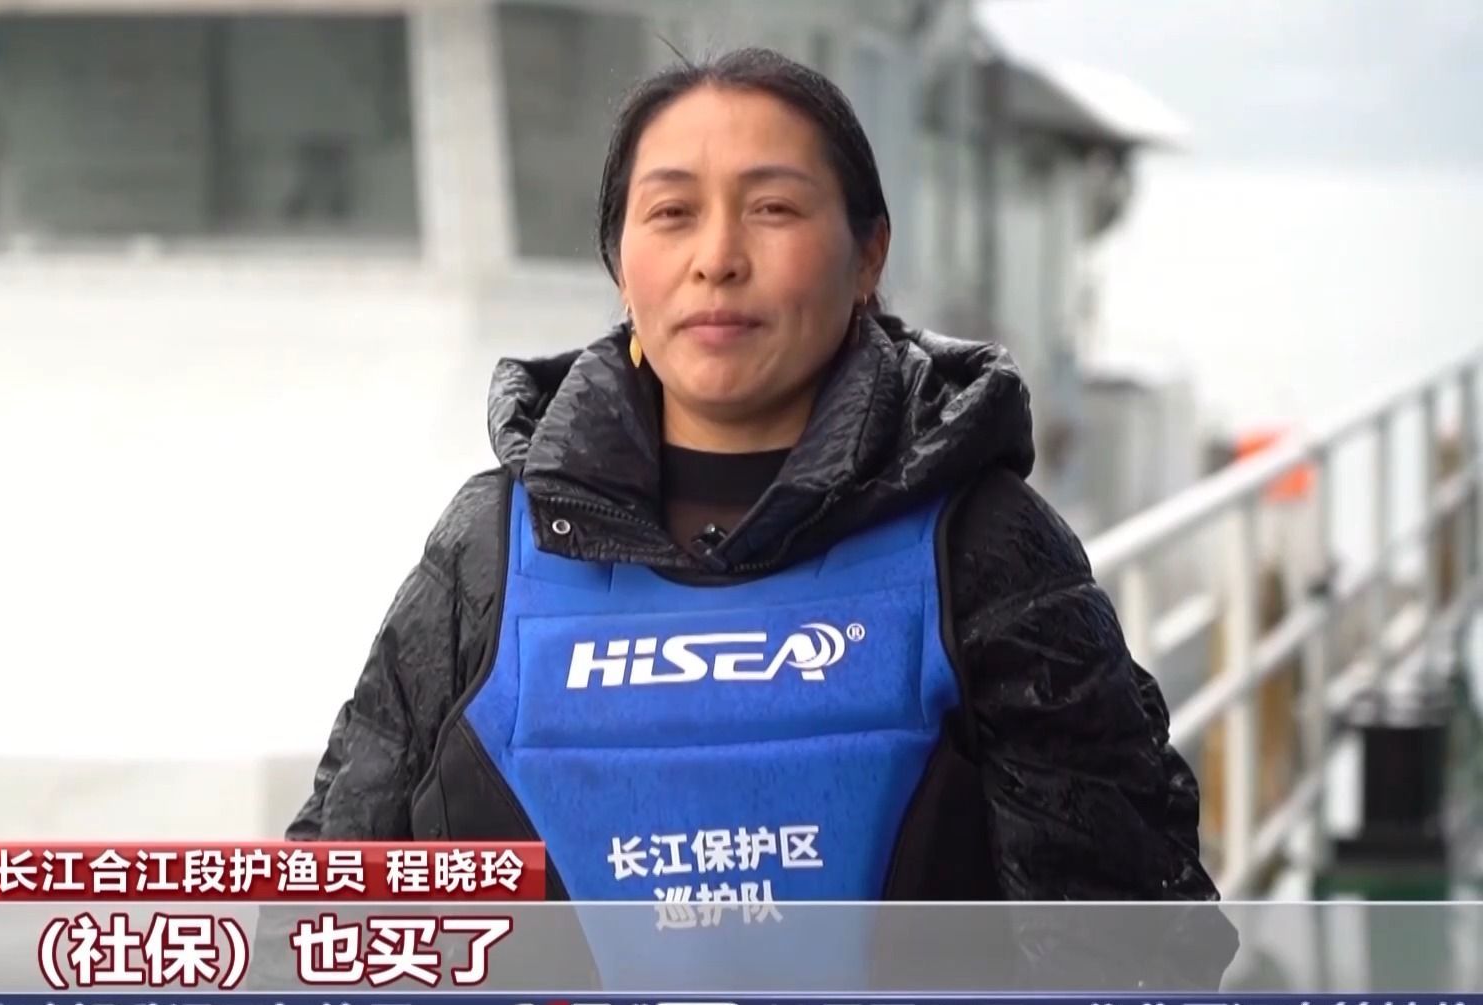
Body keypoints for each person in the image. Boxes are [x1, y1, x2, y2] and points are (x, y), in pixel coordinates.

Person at [285, 47, 1235, 987]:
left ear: (868, 254)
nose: (717, 260)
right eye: (671, 213)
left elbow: (1132, 944)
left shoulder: (982, 546)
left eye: (773, 208)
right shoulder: (488, 551)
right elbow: (328, 912)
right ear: (621, 266)